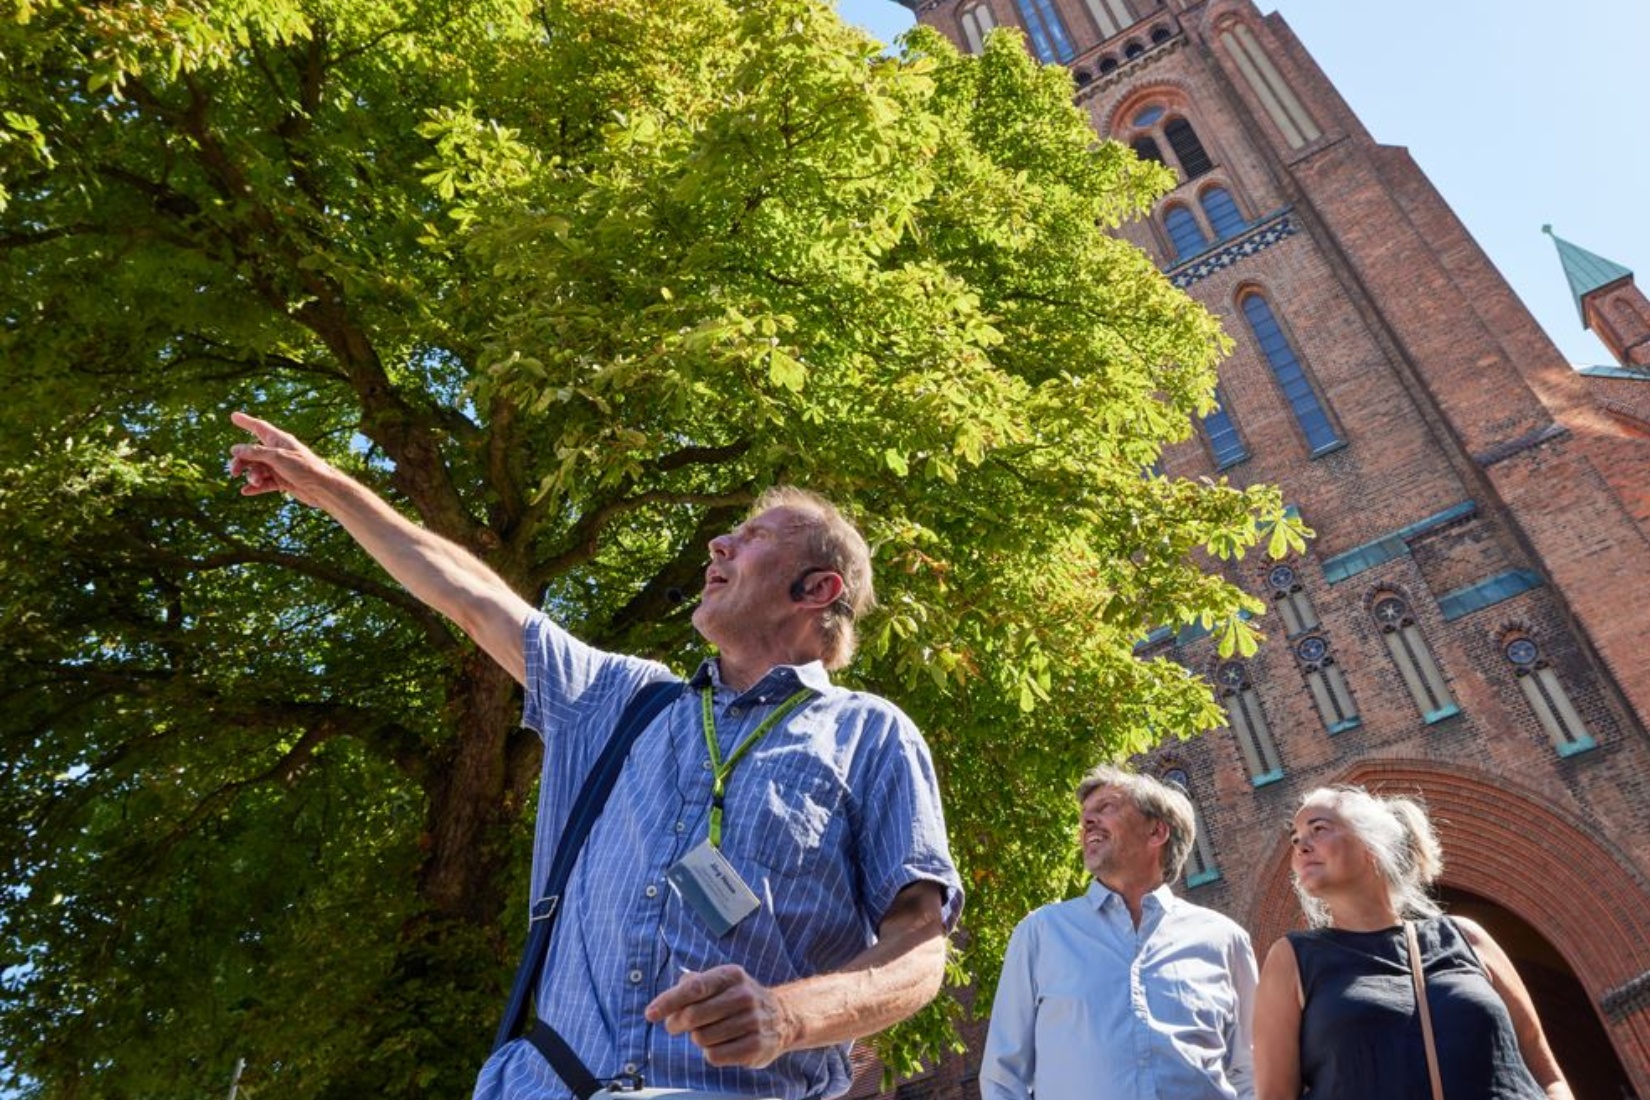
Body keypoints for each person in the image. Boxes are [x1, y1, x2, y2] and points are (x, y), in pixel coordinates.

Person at [228, 412, 964, 1100]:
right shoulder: (620, 699)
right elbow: (474, 596)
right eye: (726, 535)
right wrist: (330, 488)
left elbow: (918, 952)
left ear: (817, 589)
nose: (718, 545)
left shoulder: (872, 734)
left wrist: (786, 1016)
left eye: (754, 537)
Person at [1254, 785, 1573, 1100]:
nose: (1300, 846)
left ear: (1372, 844)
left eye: (1318, 829)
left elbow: (1547, 1074)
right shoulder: (1294, 959)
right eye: (1295, 838)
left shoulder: (1465, 937)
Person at [980, 764, 1257, 1100]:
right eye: (1084, 816)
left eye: (1106, 808)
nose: (1087, 822)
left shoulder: (1224, 940)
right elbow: (1002, 1076)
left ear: (1156, 832)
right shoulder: (1041, 933)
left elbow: (1252, 1069)